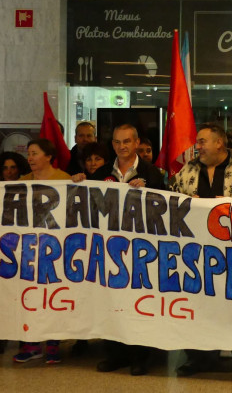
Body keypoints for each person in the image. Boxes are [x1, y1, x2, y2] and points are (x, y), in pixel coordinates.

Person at [169, 123, 232, 381]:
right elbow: (172, 198)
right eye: (198, 142)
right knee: (199, 304)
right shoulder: (189, 169)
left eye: (202, 141)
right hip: (196, 252)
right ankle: (199, 357)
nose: (197, 146)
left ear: (219, 143)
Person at [93, 125, 164, 376]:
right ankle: (115, 354)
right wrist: (79, 183)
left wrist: (147, 191)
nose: (122, 146)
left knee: (139, 303)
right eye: (117, 142)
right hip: (110, 247)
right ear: (112, 145)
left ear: (136, 144)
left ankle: (140, 357)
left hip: (141, 248)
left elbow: (164, 205)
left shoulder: (152, 173)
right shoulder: (101, 172)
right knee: (111, 301)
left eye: (127, 142)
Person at [14, 138, 71, 364]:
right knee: (32, 296)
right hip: (29, 249)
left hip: (57, 248)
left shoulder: (64, 179)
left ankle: (54, 344)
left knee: (55, 296)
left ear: (48, 156)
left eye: (35, 153)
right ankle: (32, 344)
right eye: (28, 153)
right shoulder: (22, 181)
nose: (30, 158)